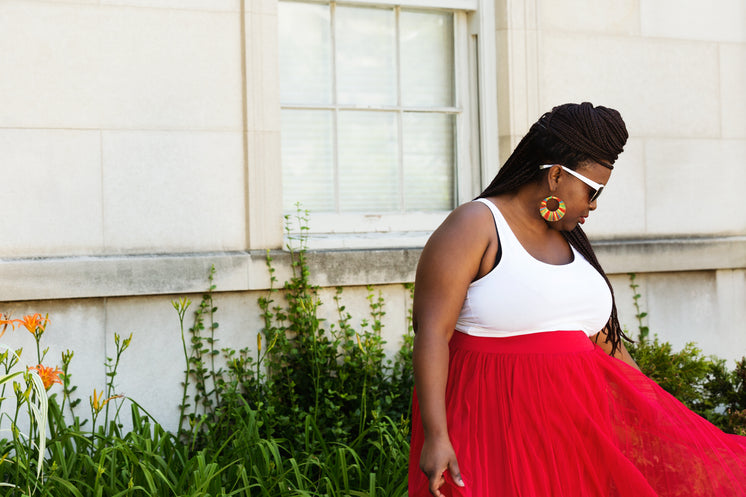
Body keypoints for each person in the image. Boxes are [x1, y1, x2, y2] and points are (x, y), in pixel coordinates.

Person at [408, 102, 746, 496]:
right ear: (555, 176)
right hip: (492, 430)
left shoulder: (570, 242)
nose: (594, 204)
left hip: (576, 440)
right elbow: (431, 332)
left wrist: (664, 425)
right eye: (592, 190)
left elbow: (610, 350)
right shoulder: (477, 224)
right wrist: (436, 435)